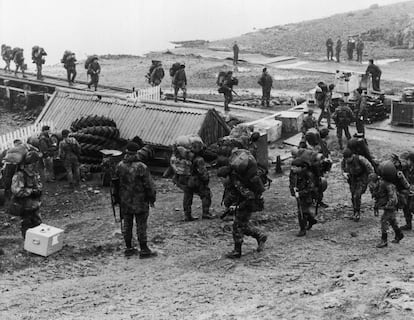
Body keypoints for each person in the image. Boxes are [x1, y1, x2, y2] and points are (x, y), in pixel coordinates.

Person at [114, 142, 157, 258]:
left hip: (125, 201)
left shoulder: (120, 166)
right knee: (141, 225)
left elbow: (115, 184)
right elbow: (149, 185)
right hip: (140, 201)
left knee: (127, 225)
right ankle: (144, 249)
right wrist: (152, 198)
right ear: (137, 152)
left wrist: (117, 199)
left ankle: (129, 248)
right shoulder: (141, 167)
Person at [217, 166, 267, 258]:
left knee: (237, 226)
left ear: (227, 177)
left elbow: (250, 197)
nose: (221, 182)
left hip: (247, 205)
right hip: (242, 204)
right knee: (242, 226)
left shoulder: (238, 183)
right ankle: (260, 236)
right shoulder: (232, 182)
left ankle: (237, 251)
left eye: (221, 179)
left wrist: (238, 206)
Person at [173, 139, 214, 221]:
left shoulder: (184, 157)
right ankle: (206, 213)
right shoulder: (199, 159)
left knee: (187, 196)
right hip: (195, 180)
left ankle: (187, 215)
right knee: (206, 194)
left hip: (184, 180)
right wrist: (206, 180)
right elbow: (202, 173)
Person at [10, 151, 43, 239]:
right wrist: (31, 192)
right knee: (27, 228)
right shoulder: (20, 175)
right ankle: (28, 246)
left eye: (35, 164)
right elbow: (16, 190)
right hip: (25, 207)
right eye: (32, 164)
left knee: (38, 226)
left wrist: (38, 190)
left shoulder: (34, 174)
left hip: (35, 205)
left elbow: (39, 185)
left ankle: (37, 245)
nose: (34, 166)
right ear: (27, 164)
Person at [369, 173, 404, 248]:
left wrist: (388, 205)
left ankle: (384, 240)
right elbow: (378, 197)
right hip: (387, 206)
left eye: (372, 183)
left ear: (376, 181)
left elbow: (393, 198)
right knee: (392, 220)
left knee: (384, 221)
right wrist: (377, 206)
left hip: (391, 206)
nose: (371, 185)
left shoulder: (387, 185)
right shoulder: (377, 186)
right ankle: (399, 234)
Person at [342, 148, 375, 221]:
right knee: (353, 196)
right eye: (345, 159)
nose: (347, 160)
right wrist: (344, 173)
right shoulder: (345, 160)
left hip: (362, 178)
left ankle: (357, 213)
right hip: (352, 179)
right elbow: (343, 168)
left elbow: (370, 169)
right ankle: (355, 212)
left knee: (357, 195)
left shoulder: (360, 159)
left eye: (348, 159)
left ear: (352, 156)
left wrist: (371, 180)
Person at [289, 158, 319, 237]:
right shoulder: (293, 173)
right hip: (298, 194)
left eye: (294, 167)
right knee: (304, 210)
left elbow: (311, 188)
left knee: (301, 211)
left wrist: (301, 193)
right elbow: (291, 182)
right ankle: (311, 220)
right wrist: (293, 190)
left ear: (300, 167)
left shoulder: (308, 175)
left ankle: (302, 229)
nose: (292, 168)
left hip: (309, 195)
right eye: (292, 167)